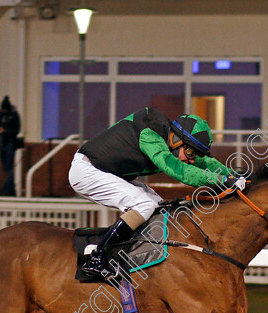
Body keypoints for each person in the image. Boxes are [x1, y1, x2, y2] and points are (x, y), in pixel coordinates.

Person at [69, 108, 246, 278]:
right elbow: (178, 170)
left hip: (106, 171)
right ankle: (97, 257)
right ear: (176, 140)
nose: (191, 159)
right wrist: (221, 180)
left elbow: (205, 162)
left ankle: (129, 256)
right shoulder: (150, 135)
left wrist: (230, 174)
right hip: (86, 171)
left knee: (159, 207)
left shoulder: (171, 138)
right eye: (190, 152)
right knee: (144, 205)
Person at [0, 96, 22, 196]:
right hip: (2, 142)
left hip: (10, 143)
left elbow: (16, 130)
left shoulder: (13, 115)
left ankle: (9, 189)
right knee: (6, 168)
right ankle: (9, 189)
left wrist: (5, 130)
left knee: (10, 169)